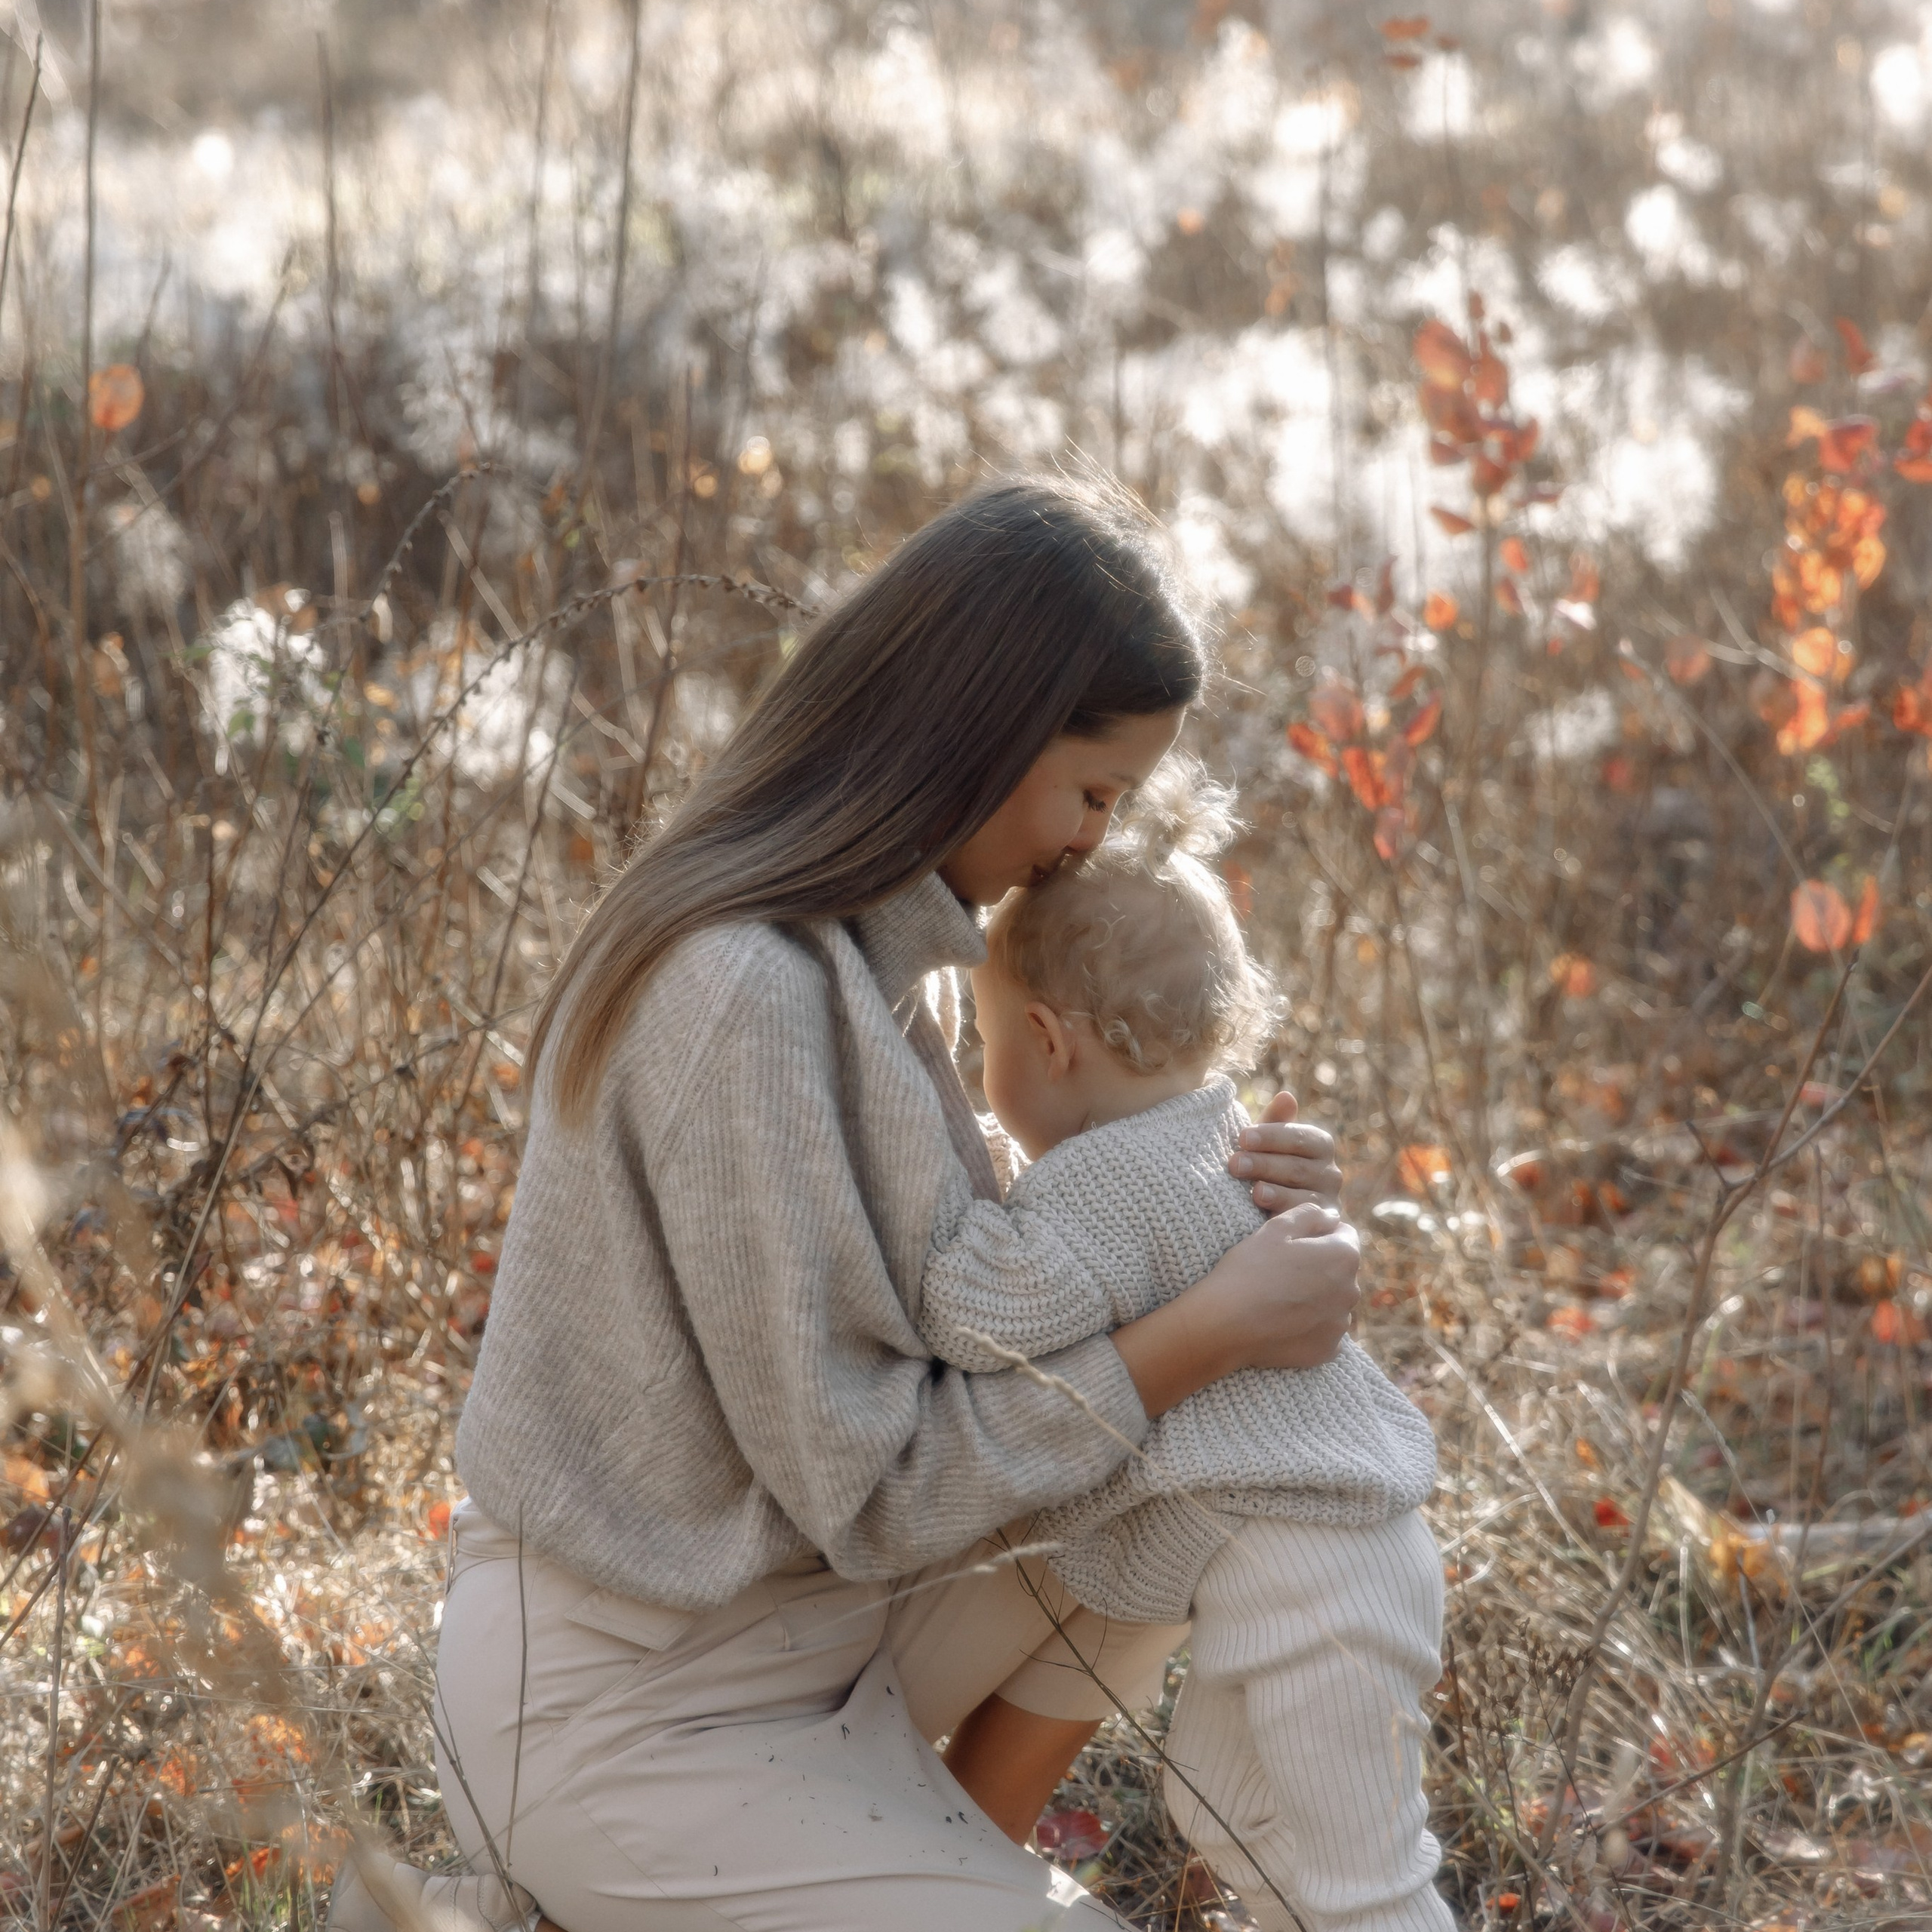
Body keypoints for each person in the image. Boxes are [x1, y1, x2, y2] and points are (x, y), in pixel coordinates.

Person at [329, 475, 1363, 1932]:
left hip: (822, 1636)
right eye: (1095, 792)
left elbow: (1012, 1298)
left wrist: (1225, 1189)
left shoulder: (882, 970)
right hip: (634, 1707)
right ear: (988, 731)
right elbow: (875, 1484)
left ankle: (929, 1860)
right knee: (1180, 1405)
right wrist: (1212, 1327)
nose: (1088, 843)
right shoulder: (742, 994)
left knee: (1190, 1490)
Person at [909, 771, 1451, 1932]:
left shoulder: (1105, 1184)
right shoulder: (1225, 1141)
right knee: (1233, 1819)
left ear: (1046, 1044)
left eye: (990, 1047)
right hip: (1321, 1566)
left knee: (1370, 1889)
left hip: (1322, 1582)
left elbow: (973, 1313)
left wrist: (933, 1218)